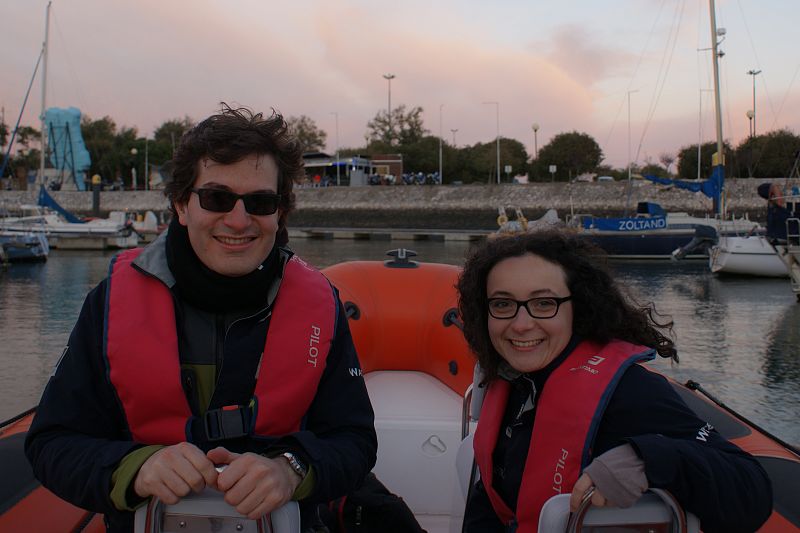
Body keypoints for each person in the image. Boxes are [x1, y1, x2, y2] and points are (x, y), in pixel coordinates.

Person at [25, 104, 377, 532]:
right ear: (181, 205)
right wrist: (137, 467)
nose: (239, 219)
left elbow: (355, 441)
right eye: (216, 198)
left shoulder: (322, 306)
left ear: (279, 212)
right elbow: (51, 442)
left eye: (260, 202)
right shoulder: (110, 301)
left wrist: (292, 469)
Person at [456, 230, 772, 533]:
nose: (521, 324)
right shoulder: (514, 382)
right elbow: (490, 504)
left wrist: (647, 459)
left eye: (543, 304)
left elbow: (751, 491)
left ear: (576, 307)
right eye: (502, 304)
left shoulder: (630, 392)